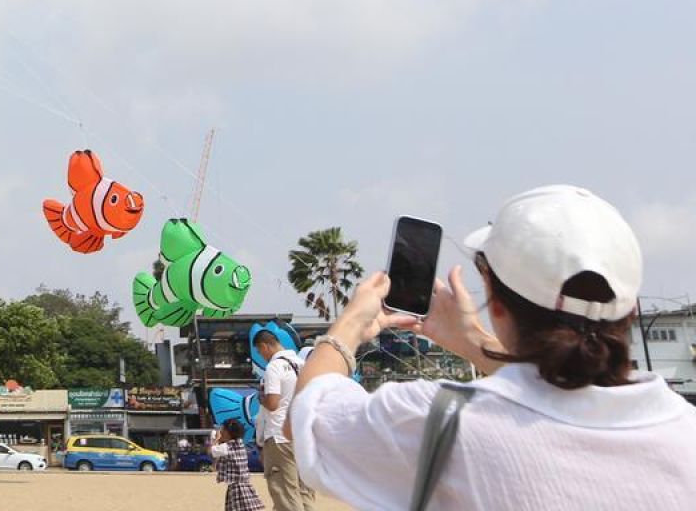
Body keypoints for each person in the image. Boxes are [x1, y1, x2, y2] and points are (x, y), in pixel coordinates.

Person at [291, 185, 696, 510]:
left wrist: (348, 326)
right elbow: (560, 397)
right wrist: (478, 344)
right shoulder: (685, 431)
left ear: (495, 300)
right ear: (629, 310)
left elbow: (309, 415)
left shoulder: (440, 420)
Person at [252, 329, 315, 511]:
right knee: (305, 491)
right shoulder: (303, 365)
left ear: (265, 346)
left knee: (285, 492)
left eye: (259, 351)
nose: (261, 355)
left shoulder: (275, 367)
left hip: (280, 434)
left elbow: (273, 403)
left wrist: (261, 398)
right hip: (303, 434)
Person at [210, 420, 264, 511]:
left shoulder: (226, 447)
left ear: (228, 433)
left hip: (236, 488)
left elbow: (211, 451)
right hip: (246, 485)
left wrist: (216, 439)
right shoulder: (240, 444)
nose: (221, 432)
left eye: (222, 429)